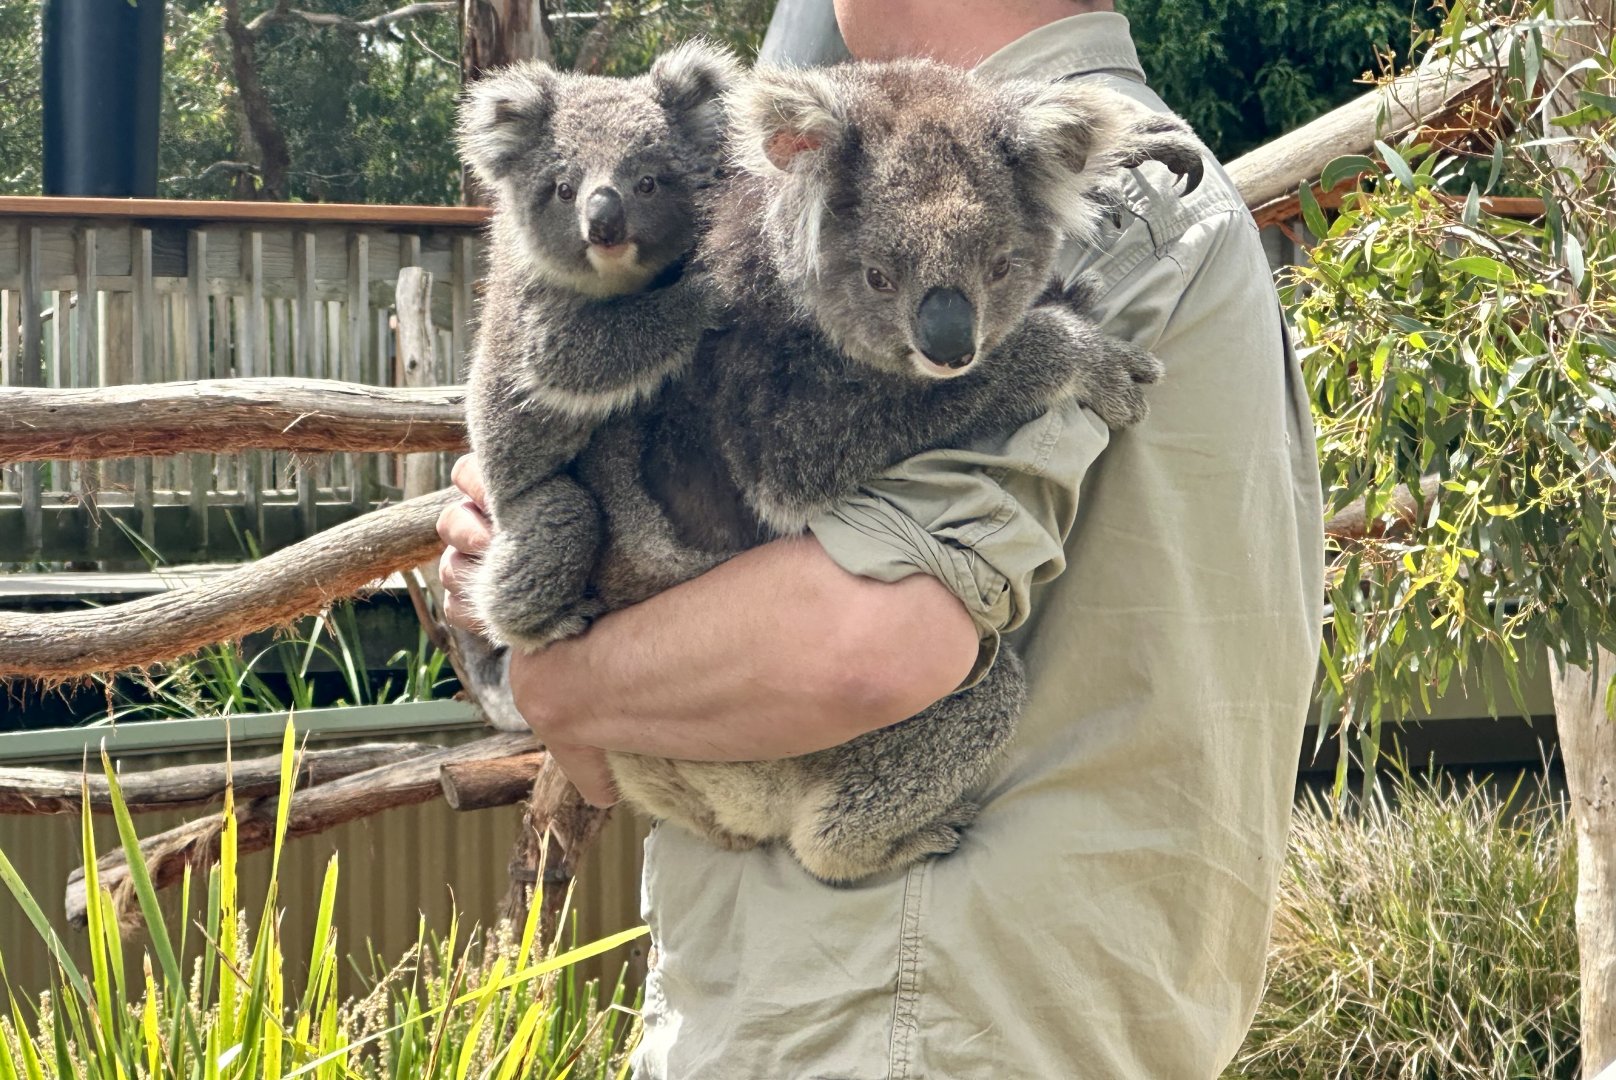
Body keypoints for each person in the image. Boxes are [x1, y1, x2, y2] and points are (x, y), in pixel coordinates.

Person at [437, 0, 1324, 1075]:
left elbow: (859, 645)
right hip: (886, 995)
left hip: (915, 1003)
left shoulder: (1104, 189)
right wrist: (532, 538)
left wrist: (558, 686)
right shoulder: (866, 164)